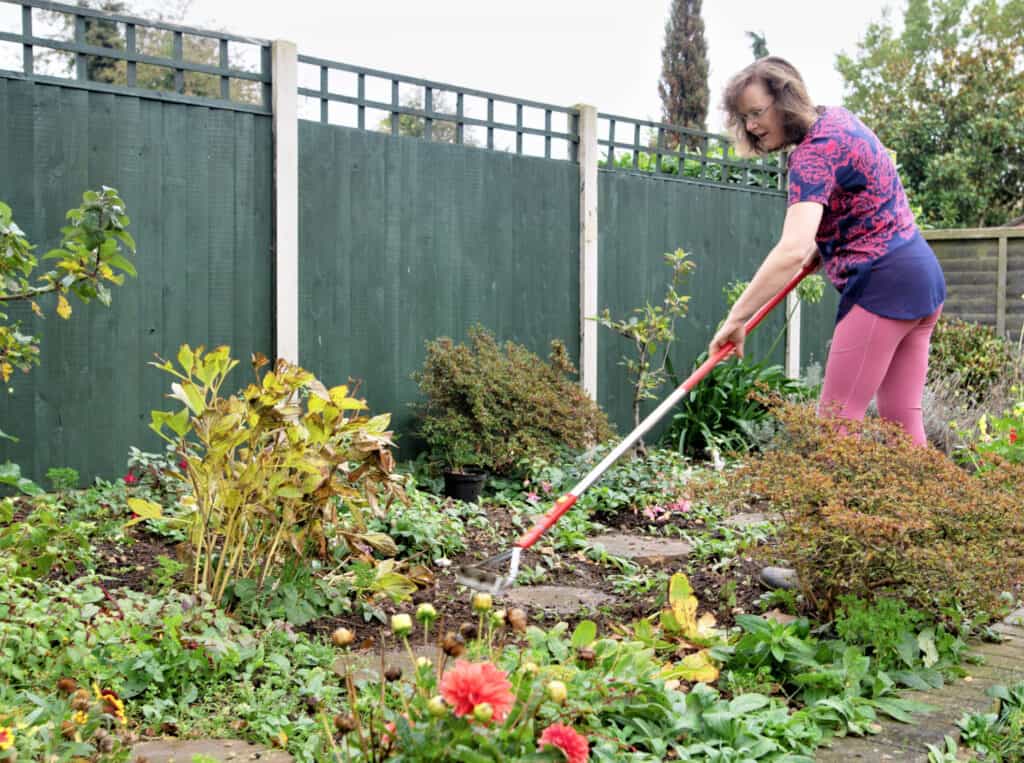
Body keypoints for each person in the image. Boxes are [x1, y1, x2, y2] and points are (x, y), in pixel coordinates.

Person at [708, 57, 946, 448]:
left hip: (883, 284)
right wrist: (829, 241)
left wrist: (737, 318)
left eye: (756, 112)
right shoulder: (837, 120)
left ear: (784, 99)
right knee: (902, 420)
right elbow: (864, 191)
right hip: (921, 275)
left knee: (836, 423)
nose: (751, 126)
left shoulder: (812, 155)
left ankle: (827, 511)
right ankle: (935, 509)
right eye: (743, 117)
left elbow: (790, 251)